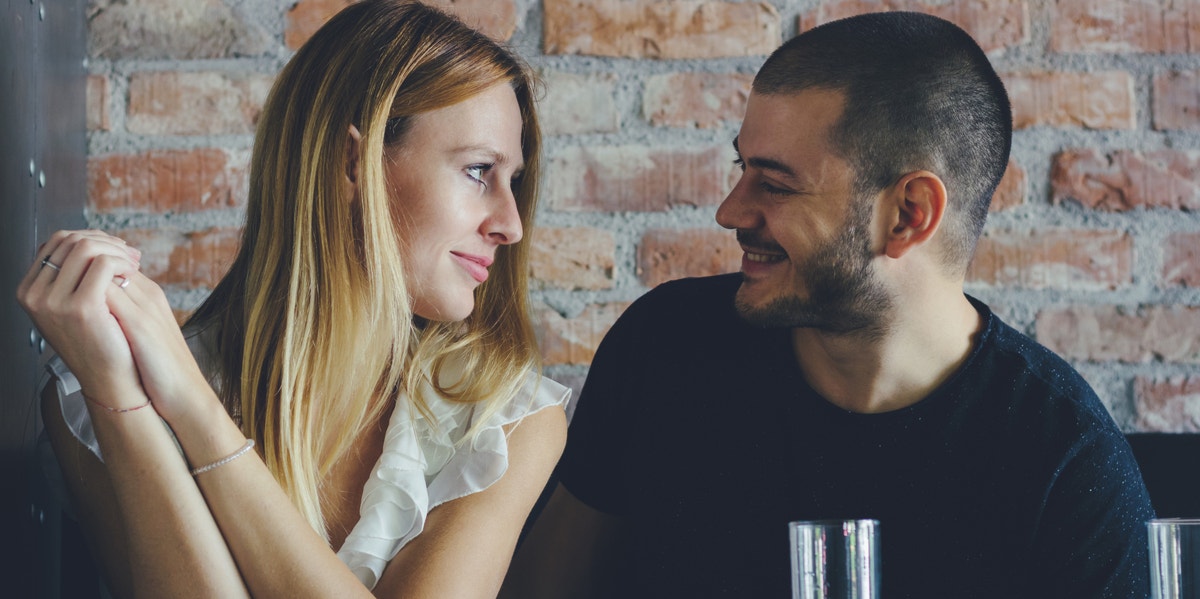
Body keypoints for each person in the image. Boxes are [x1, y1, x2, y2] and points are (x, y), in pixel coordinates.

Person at [503, 11, 1154, 599]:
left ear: (908, 214)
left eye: (776, 184)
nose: (730, 210)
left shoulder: (1064, 464)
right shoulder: (667, 344)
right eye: (742, 168)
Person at [17, 2, 569, 597]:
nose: (510, 224)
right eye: (478, 170)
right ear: (352, 162)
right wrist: (125, 404)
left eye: (512, 179)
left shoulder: (508, 423)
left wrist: (192, 408)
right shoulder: (90, 402)